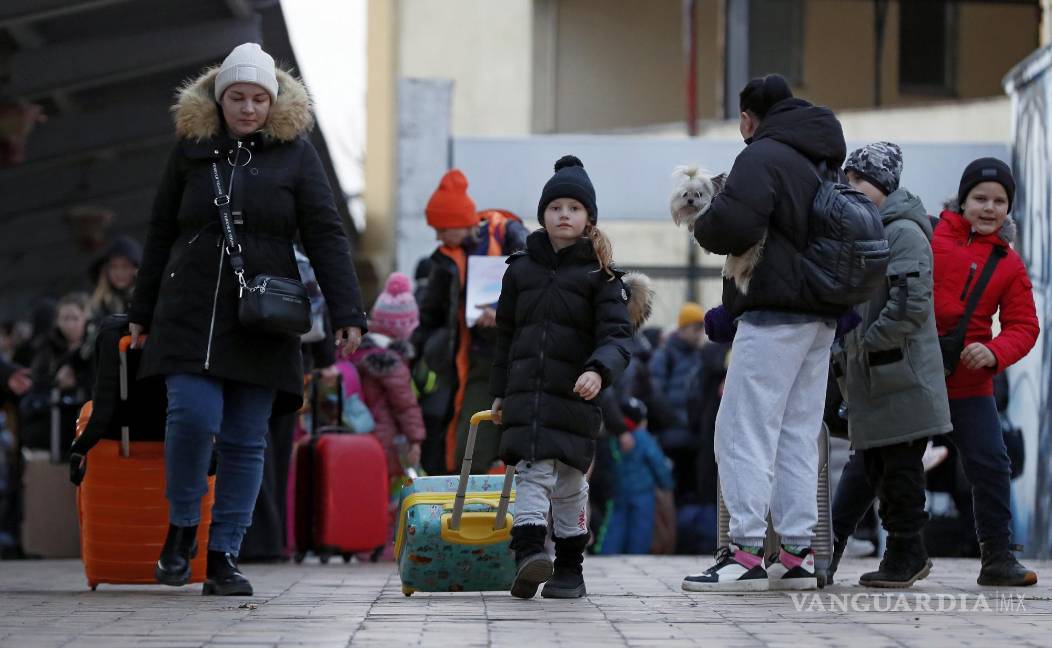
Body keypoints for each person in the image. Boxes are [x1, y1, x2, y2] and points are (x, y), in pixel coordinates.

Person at [128, 43, 367, 596]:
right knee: (191, 414)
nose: (249, 108)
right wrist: (141, 310)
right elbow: (160, 231)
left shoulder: (297, 155)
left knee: (244, 437)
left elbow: (326, 233)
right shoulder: (191, 150)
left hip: (264, 317)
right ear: (220, 98)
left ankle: (225, 554)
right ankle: (182, 526)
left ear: (274, 101)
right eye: (238, 97)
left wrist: (347, 310)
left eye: (259, 98)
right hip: (188, 310)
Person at [683, 74, 846, 592]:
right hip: (820, 316)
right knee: (797, 433)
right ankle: (797, 555)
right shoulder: (822, 157)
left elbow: (731, 227)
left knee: (742, 430)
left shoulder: (761, 156)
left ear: (747, 118)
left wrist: (703, 215)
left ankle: (745, 552)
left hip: (773, 312)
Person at [491, 155, 633, 599]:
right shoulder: (520, 270)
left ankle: (570, 568)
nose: (564, 215)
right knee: (531, 474)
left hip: (574, 398)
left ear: (589, 218)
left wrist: (598, 370)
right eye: (555, 208)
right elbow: (505, 337)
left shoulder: (601, 276)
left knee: (570, 484)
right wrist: (499, 393)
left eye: (574, 208)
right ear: (543, 215)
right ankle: (529, 554)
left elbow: (618, 337)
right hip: (527, 398)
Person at [828, 142, 953, 588]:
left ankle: (905, 554)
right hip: (876, 376)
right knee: (879, 469)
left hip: (900, 376)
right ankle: (900, 553)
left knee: (900, 471)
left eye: (859, 179)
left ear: (883, 184)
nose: (850, 186)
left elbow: (908, 305)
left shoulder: (902, 233)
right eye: (847, 178)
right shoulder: (867, 230)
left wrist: (863, 346)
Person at [931, 158, 1039, 586]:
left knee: (992, 465)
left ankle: (997, 558)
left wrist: (994, 352)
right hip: (916, 380)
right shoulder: (930, 237)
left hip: (970, 385)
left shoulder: (1009, 263)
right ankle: (837, 551)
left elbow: (1025, 326)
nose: (990, 208)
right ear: (962, 200)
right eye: (980, 198)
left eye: (1000, 201)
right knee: (877, 463)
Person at [411, 171, 528, 474]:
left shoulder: (509, 234)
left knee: (525, 454)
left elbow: (536, 282)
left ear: (458, 222)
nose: (438, 237)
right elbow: (430, 314)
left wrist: (502, 311)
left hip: (521, 363)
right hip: (477, 364)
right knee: (469, 452)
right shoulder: (445, 259)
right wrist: (416, 353)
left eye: (441, 229)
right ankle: (472, 502)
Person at [349, 272, 426, 486]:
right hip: (386, 437)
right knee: (389, 488)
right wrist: (415, 440)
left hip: (358, 431)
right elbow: (406, 405)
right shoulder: (392, 361)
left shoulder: (359, 349)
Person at [19, 292, 93, 456]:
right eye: (65, 318)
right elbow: (36, 383)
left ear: (85, 319)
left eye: (74, 318)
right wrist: (56, 382)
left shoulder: (95, 348)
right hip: (53, 423)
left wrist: (79, 381)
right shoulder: (46, 347)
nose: (70, 325)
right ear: (57, 320)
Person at [598, 398, 673, 555]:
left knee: (616, 525)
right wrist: (666, 484)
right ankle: (637, 557)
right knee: (641, 529)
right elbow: (658, 463)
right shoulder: (643, 438)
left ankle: (608, 554)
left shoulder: (613, 438)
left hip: (618, 491)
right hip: (643, 493)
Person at [648, 303, 705, 499]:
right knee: (673, 490)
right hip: (672, 437)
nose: (699, 334)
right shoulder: (665, 354)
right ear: (683, 328)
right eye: (696, 328)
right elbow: (655, 394)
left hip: (693, 437)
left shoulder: (700, 356)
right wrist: (675, 421)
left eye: (702, 329)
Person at [88, 235, 142, 320]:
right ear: (105, 271)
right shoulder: (95, 306)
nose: (119, 273)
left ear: (136, 269)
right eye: (113, 267)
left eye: (125, 266)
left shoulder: (146, 302)